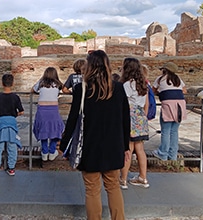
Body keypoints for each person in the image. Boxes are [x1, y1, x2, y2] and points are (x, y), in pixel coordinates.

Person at [60, 50, 131, 220]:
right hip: (113, 145)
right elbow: (125, 119)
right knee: (113, 186)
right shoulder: (119, 88)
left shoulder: (80, 89)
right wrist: (126, 146)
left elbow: (72, 119)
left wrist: (64, 144)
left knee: (92, 189)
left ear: (89, 67)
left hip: (89, 146)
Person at [119, 57, 150, 190]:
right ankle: (143, 177)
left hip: (130, 116)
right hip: (141, 116)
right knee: (140, 150)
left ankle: (123, 179)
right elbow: (146, 103)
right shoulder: (143, 83)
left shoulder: (127, 85)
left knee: (128, 149)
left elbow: (123, 103)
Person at [0, 73, 24, 177]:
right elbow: (21, 111)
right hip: (12, 123)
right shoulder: (16, 97)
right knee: (12, 146)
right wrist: (14, 115)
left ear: (2, 83)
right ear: (12, 83)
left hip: (0, 123)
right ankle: (11, 168)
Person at [152, 62, 187, 161]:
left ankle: (163, 153)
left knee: (165, 131)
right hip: (180, 105)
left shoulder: (160, 79)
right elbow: (184, 91)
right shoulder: (178, 79)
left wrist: (161, 92)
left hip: (168, 104)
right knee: (174, 131)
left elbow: (153, 90)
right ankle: (173, 155)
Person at [32, 67, 65, 161]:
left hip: (42, 110)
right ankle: (52, 150)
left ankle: (44, 151)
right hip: (53, 110)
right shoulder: (58, 84)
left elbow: (32, 89)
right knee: (56, 129)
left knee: (43, 130)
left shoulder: (41, 83)